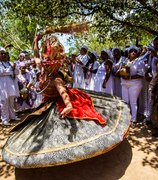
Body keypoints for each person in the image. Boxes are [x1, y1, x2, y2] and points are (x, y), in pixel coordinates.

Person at [2, 28, 130, 168]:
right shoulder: (43, 70)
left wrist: (68, 106)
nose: (45, 66)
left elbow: (63, 94)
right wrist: (36, 41)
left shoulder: (56, 79)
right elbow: (37, 55)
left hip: (63, 101)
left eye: (48, 64)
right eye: (45, 64)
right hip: (50, 102)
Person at [115, 46, 146, 126]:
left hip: (135, 84)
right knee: (125, 102)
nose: (133, 52)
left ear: (137, 53)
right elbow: (119, 69)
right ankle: (126, 118)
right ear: (128, 52)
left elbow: (141, 74)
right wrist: (120, 72)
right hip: (124, 83)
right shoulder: (124, 61)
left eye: (135, 51)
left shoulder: (139, 61)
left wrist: (130, 77)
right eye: (131, 51)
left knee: (133, 102)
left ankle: (134, 120)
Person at [0, 48, 20, 126]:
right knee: (4, 102)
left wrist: (13, 69)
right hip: (2, 85)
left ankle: (12, 116)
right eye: (1, 53)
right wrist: (11, 70)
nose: (3, 55)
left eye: (4, 53)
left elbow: (17, 72)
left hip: (11, 84)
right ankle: (5, 119)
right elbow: (1, 72)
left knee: (11, 100)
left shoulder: (9, 63)